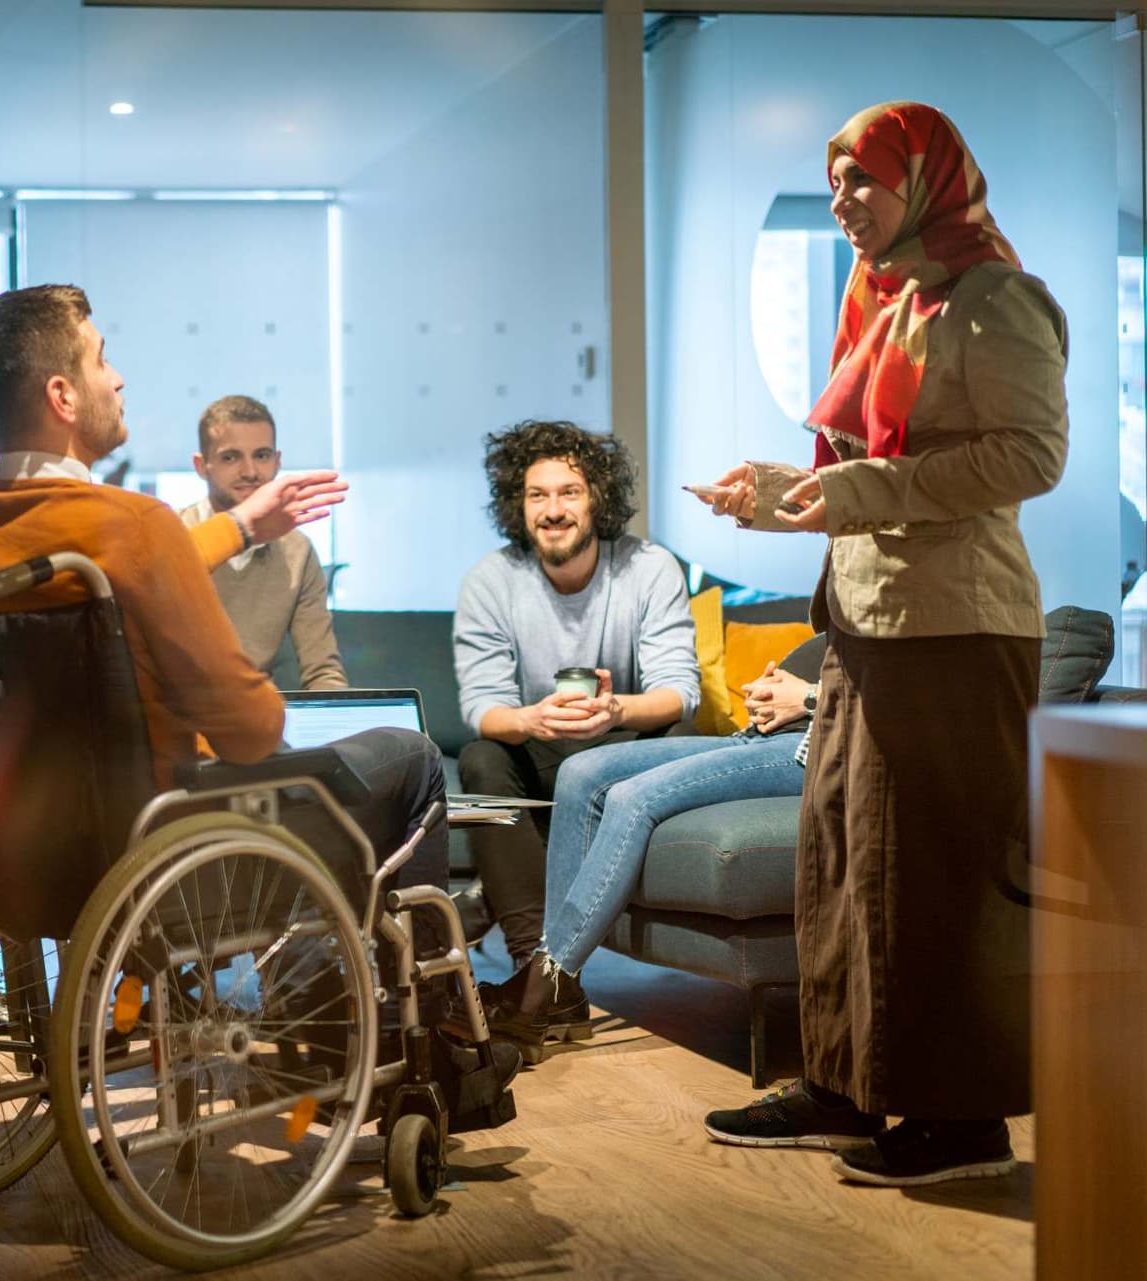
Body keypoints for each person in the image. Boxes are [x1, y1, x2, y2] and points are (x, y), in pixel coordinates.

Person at [698, 102, 1066, 1187]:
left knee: (931, 878)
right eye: (835, 183)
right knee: (845, 860)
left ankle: (962, 1122)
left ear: (929, 180)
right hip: (868, 622)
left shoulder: (996, 297)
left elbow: (1029, 458)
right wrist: (768, 495)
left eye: (863, 179)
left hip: (957, 627)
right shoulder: (886, 298)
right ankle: (847, 1091)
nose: (843, 202)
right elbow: (866, 469)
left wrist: (853, 490)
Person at [0, 284, 451, 948]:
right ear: (63, 396)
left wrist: (238, 525)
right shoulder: (133, 525)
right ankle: (421, 1020)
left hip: (26, 848)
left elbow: (115, 570)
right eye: (101, 359)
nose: (118, 379)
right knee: (413, 754)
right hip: (171, 837)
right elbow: (249, 730)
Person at [452, 420, 701, 976]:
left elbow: (679, 693)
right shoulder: (490, 581)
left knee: (682, 740)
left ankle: (493, 900)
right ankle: (537, 968)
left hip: (621, 752)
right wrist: (531, 719)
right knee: (482, 758)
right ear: (518, 505)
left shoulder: (648, 568)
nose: (553, 510)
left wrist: (617, 710)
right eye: (537, 495)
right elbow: (482, 710)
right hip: (541, 748)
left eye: (570, 492)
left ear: (599, 500)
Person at [496, 640, 820, 1054]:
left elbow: (901, 696)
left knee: (632, 797)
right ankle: (562, 991)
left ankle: (547, 979)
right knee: (578, 772)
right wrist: (783, 693)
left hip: (815, 748)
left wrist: (811, 697)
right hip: (771, 733)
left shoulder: (916, 609)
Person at [178, 395, 347, 690]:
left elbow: (323, 671)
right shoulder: (173, 534)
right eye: (230, 457)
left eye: (262, 455)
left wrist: (339, 729)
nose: (250, 472)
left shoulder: (298, 551)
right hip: (179, 721)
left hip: (257, 721)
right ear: (201, 465)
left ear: (278, 461)